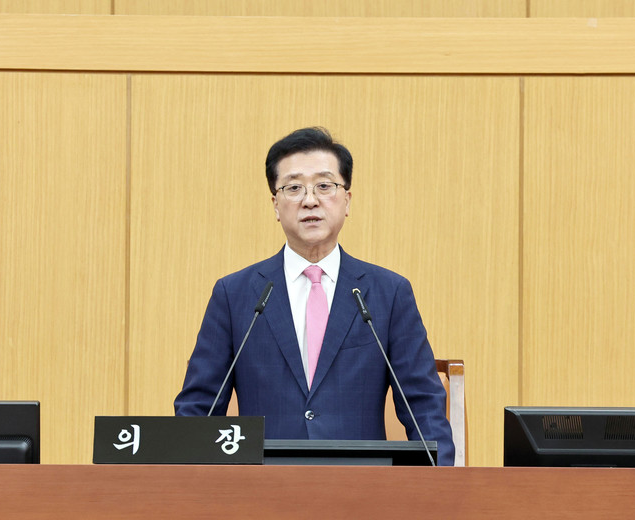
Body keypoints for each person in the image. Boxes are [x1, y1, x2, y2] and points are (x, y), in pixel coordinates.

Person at [174, 127, 455, 465]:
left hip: (361, 486)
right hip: (262, 486)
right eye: (294, 187)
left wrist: (440, 485)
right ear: (276, 205)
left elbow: (423, 405)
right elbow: (199, 408)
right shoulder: (234, 294)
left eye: (324, 185)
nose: (310, 200)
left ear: (347, 200)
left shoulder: (389, 292)